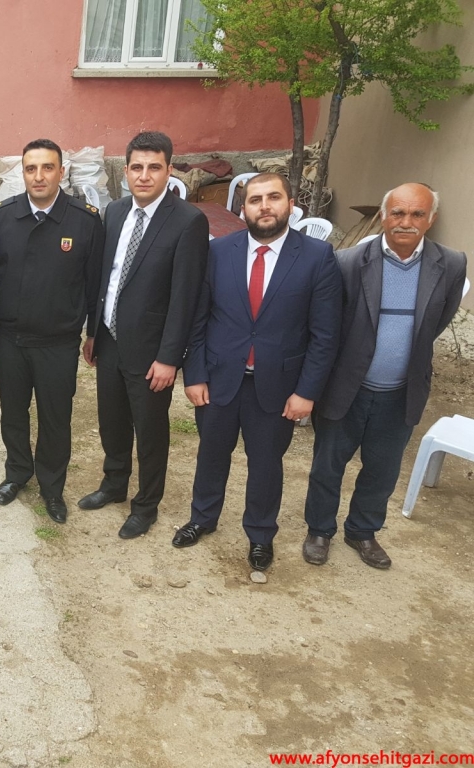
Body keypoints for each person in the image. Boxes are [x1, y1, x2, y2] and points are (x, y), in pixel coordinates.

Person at [179, 173, 342, 572]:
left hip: (278, 386)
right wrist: (194, 374)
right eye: (255, 199)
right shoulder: (219, 251)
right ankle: (203, 518)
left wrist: (306, 392)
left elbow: (325, 335)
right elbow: (197, 319)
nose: (264, 206)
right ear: (243, 208)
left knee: (266, 465)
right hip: (219, 379)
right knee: (211, 454)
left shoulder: (318, 257)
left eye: (273, 197)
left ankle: (260, 535)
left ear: (290, 205)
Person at [303, 183, 467, 569]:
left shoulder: (452, 264)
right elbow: (329, 325)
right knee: (327, 465)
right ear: (383, 216)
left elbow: (436, 322)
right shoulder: (347, 262)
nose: (406, 222)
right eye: (398, 213)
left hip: (401, 392)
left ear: (431, 219)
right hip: (347, 388)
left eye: (417, 214)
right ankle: (319, 530)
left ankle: (362, 531)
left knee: (382, 469)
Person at [79, 131, 209, 539]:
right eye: (137, 167)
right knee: (111, 420)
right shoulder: (115, 212)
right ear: (126, 171)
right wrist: (92, 331)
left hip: (152, 351)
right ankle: (114, 484)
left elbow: (186, 297)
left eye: (154, 167)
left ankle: (146, 505)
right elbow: (105, 278)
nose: (144, 176)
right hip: (109, 339)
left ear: (169, 170)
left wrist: (170, 357)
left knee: (149, 433)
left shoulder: (188, 221)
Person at [0, 138, 104, 523]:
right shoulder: (2, 217)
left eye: (47, 168)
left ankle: (52, 487)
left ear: (61, 172)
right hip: (10, 340)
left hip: (58, 343)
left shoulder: (85, 221)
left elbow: (94, 285)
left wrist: (93, 333)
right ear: (22, 173)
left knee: (56, 419)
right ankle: (17, 473)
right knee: (13, 414)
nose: (39, 176)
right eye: (31, 168)